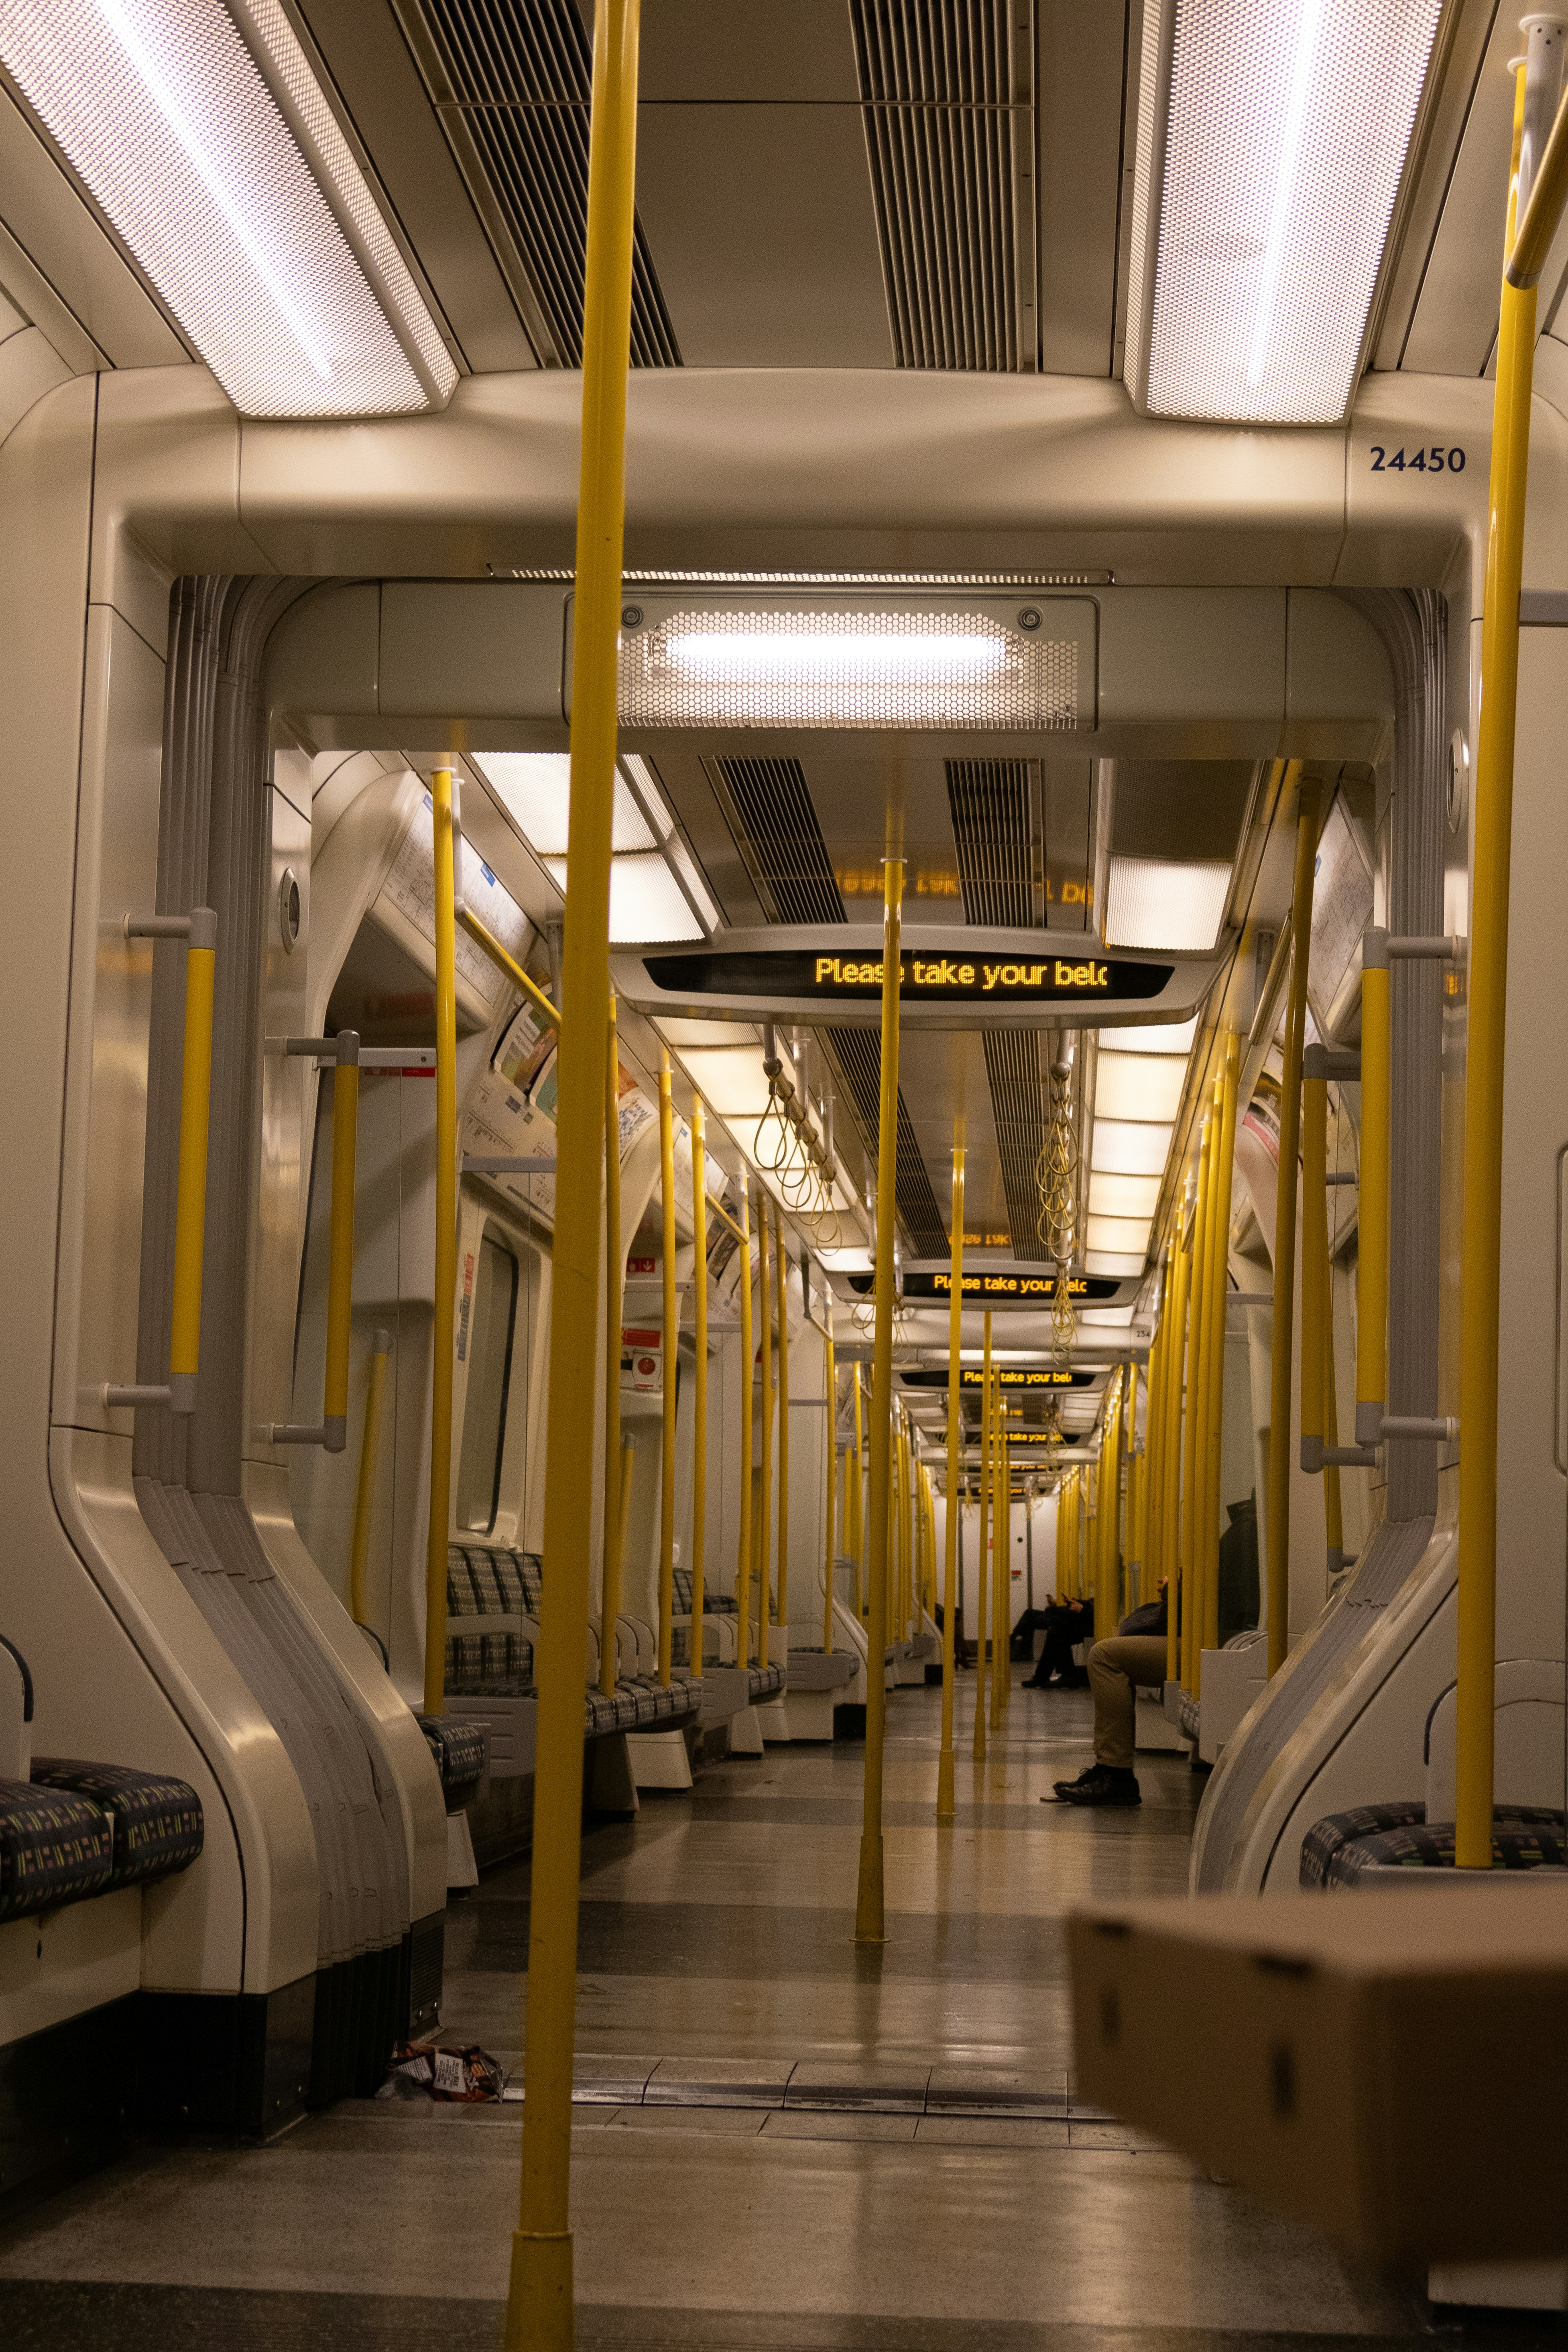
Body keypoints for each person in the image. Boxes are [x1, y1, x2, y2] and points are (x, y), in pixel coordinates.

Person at [1051, 1583, 1169, 1807]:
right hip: (1193, 1636)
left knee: (1105, 1655)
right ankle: (1107, 1767)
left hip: (1209, 1641)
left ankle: (1117, 1773)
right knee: (1067, 1630)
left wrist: (1172, 1586)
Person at [1021, 1596, 1094, 1689]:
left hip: (1094, 1623)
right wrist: (1079, 1602)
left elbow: (1099, 1611)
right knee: (1056, 1630)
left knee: (1057, 1630)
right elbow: (1094, 1605)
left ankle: (1049, 1676)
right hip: (1089, 1619)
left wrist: (1083, 1609)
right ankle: (1051, 1676)